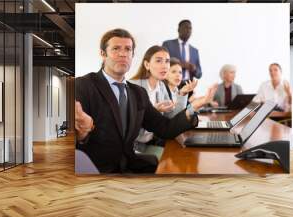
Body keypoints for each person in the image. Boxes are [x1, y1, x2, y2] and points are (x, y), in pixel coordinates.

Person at [75, 28, 216, 174]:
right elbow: (74, 141)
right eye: (116, 48)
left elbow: (165, 128)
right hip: (97, 169)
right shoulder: (83, 86)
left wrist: (193, 107)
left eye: (128, 49)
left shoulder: (138, 93)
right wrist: (82, 133)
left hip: (129, 164)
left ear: (132, 55)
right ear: (103, 54)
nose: (123, 53)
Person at [129, 47, 200, 155]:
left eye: (167, 61)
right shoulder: (133, 86)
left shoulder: (161, 86)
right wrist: (151, 111)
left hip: (151, 143)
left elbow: (172, 119)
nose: (164, 65)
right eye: (158, 61)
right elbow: (126, 123)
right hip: (134, 147)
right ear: (147, 65)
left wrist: (182, 94)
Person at [162, 19, 202, 87]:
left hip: (188, 86)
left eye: (190, 28)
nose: (188, 30)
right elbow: (163, 63)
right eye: (186, 27)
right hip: (170, 85)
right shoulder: (168, 44)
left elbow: (199, 74)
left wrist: (194, 69)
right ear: (179, 30)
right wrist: (179, 64)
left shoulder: (194, 51)